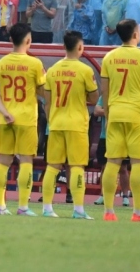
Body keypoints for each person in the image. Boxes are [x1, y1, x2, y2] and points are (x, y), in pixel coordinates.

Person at [99, 18, 140, 222]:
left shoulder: (109, 57)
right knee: (138, 163)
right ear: (136, 34)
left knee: (112, 162)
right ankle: (139, 213)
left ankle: (108, 211)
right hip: (137, 115)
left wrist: (108, 115)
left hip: (116, 113)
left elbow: (105, 91)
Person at [0, 22, 45, 216]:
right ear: (28, 40)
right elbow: (43, 90)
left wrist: (4, 112)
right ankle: (23, 206)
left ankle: (0, 206)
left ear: (11, 39)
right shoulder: (35, 64)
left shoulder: (2, 63)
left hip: (6, 118)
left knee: (3, 162)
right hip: (27, 119)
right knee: (26, 162)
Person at [41, 30, 98, 218]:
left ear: (64, 46)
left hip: (56, 123)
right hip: (76, 124)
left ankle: (47, 208)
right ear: (80, 47)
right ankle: (78, 210)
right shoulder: (85, 70)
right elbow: (94, 97)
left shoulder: (53, 70)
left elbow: (47, 101)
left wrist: (52, 119)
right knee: (77, 167)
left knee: (52, 166)